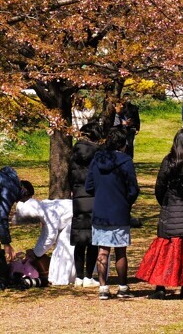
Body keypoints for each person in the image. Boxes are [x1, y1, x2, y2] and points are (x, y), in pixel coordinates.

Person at [137, 128, 183, 299]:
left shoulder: (169, 161)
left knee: (167, 251)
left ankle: (160, 286)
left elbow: (160, 187)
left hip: (172, 211)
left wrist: (166, 202)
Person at [85, 128, 140, 300]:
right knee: (120, 251)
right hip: (119, 210)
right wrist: (126, 202)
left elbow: (89, 186)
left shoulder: (97, 159)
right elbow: (133, 189)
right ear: (124, 144)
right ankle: (123, 287)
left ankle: (103, 288)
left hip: (101, 209)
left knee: (103, 250)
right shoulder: (126, 161)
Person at [15, 196, 75, 286]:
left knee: (64, 248)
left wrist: (36, 253)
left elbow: (50, 236)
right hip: (71, 219)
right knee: (61, 248)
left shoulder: (49, 213)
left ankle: (63, 278)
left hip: (76, 219)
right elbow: (45, 233)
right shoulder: (44, 208)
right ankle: (58, 277)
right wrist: (36, 251)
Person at [69, 122, 102, 287]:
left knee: (80, 237)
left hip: (78, 197)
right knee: (92, 239)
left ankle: (78, 277)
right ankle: (89, 276)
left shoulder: (74, 151)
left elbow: (69, 174)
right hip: (94, 196)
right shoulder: (98, 152)